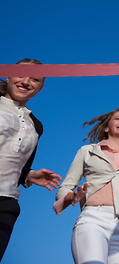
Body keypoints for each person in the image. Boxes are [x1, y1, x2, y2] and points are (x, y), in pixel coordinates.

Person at [53, 108, 119, 263]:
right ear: (106, 127)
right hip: (93, 220)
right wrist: (73, 197)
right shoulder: (87, 151)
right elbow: (65, 187)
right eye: (118, 118)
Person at [0, 58, 62, 261]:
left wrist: (28, 175)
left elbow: (17, 163)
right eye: (20, 74)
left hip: (6, 203)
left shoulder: (36, 125)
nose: (26, 81)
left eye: (34, 79)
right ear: (7, 75)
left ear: (40, 87)